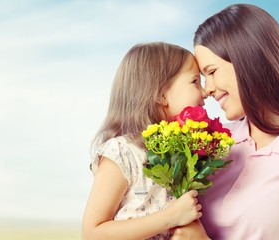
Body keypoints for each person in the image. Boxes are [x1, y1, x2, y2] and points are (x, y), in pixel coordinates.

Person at [173, 3, 279, 240]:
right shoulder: (217, 141)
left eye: (212, 71)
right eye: (202, 78)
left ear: (248, 59)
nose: (208, 89)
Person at [82, 42, 211, 240]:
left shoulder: (183, 153)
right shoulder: (121, 152)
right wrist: (169, 218)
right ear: (162, 94)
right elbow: (92, 234)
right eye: (195, 81)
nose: (204, 93)